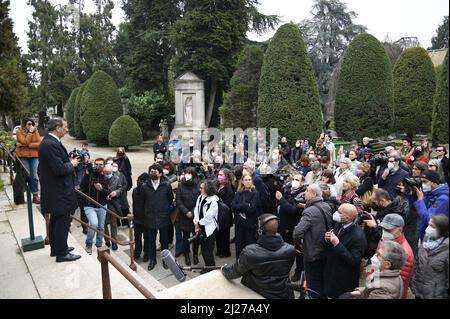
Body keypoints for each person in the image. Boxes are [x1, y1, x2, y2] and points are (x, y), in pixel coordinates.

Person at [222, 214, 296, 299]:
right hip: (284, 294)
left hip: (257, 293)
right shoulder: (290, 249)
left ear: (260, 231)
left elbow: (234, 272)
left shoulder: (250, 252)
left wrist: (223, 269)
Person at [38, 117, 81, 262]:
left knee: (56, 219)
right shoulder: (50, 144)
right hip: (59, 191)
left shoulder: (50, 142)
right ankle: (61, 253)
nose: (67, 129)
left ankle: (57, 248)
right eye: (65, 127)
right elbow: (59, 169)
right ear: (57, 128)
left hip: (56, 190)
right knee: (62, 220)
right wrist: (72, 164)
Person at [293, 184, 333, 298]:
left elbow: (297, 233)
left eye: (307, 191)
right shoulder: (327, 206)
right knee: (321, 279)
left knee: (312, 283)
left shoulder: (309, 211)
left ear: (314, 194)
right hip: (324, 250)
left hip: (312, 252)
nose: (305, 193)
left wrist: (299, 246)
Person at [324, 204, 367, 298]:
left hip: (343, 279)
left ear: (347, 218)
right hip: (332, 270)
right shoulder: (339, 224)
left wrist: (337, 244)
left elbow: (354, 260)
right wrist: (328, 238)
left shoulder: (358, 237)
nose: (335, 213)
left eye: (339, 212)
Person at [142, 164, 174, 270]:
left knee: (164, 240)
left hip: (163, 217)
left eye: (155, 172)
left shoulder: (166, 185)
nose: (153, 173)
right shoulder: (145, 186)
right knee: (151, 240)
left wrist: (165, 210)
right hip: (150, 217)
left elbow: (170, 200)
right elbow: (143, 202)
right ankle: (152, 260)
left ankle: (166, 260)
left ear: (160, 173)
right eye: (151, 171)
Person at [411, 215, 449, 299]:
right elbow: (417, 262)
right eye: (429, 225)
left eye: (432, 226)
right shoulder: (426, 240)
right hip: (417, 290)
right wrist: (412, 281)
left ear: (442, 229)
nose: (428, 228)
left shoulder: (446, 249)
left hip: (434, 294)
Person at [80, 158, 109, 254]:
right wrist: (87, 173)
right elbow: (82, 187)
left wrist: (101, 189)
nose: (98, 166)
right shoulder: (88, 174)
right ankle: (88, 244)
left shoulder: (105, 177)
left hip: (102, 206)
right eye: (96, 164)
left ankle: (99, 244)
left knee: (101, 227)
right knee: (93, 224)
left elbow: (108, 193)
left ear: (104, 166)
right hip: (89, 206)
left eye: (101, 164)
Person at [412, 170, 449, 241]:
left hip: (435, 236)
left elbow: (428, 219)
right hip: (424, 232)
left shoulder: (443, 199)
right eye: (421, 181)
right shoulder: (430, 193)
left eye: (425, 181)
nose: (423, 184)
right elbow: (418, 209)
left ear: (434, 182)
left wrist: (420, 199)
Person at [232, 174, 262, 258]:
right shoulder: (238, 193)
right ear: (242, 181)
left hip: (250, 225)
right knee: (239, 246)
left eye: (249, 180)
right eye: (246, 180)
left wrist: (240, 206)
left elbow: (252, 209)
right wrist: (245, 205)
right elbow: (233, 206)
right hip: (239, 224)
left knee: (249, 246)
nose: (248, 181)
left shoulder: (255, 193)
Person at [176, 167, 201, 266]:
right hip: (184, 216)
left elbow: (200, 200)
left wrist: (193, 212)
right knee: (185, 237)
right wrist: (186, 211)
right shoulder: (181, 185)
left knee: (196, 237)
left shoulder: (198, 185)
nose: (187, 175)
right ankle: (186, 254)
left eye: (189, 173)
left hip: (196, 217)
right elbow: (178, 200)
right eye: (186, 173)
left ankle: (195, 253)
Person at [193, 180, 219, 272]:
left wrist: (198, 224)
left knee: (208, 252)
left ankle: (211, 269)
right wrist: (196, 223)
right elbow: (196, 209)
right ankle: (208, 268)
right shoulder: (200, 197)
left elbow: (208, 217)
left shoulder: (214, 202)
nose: (199, 189)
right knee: (203, 251)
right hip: (200, 227)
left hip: (209, 230)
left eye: (201, 188)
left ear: (207, 189)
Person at [16, 118, 41, 204]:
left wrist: (28, 145)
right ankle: (21, 194)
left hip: (34, 156)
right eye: (29, 124)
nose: (31, 126)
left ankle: (35, 196)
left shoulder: (35, 131)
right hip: (23, 156)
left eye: (32, 124)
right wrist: (30, 133)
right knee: (27, 174)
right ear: (24, 124)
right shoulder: (19, 131)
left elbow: (39, 143)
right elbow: (24, 141)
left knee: (34, 176)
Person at [216, 168, 235, 258]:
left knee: (224, 235)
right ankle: (219, 250)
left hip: (225, 215)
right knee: (218, 234)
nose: (219, 177)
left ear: (226, 177)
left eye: (221, 175)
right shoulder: (217, 186)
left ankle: (225, 252)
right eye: (218, 174)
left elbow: (228, 204)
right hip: (217, 214)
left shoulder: (229, 188)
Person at [132, 173, 149, 261]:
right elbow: (134, 204)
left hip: (146, 219)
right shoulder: (135, 191)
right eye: (139, 180)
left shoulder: (148, 192)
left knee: (146, 237)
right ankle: (137, 252)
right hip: (137, 219)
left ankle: (146, 252)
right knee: (137, 237)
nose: (139, 182)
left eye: (142, 181)